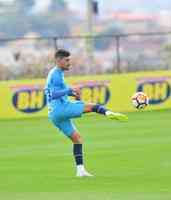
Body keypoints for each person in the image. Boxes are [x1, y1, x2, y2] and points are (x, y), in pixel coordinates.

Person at [44, 49, 128, 177]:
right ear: (58, 60)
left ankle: (80, 170)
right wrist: (69, 90)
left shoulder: (57, 73)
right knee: (93, 106)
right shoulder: (55, 74)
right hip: (60, 109)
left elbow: (58, 92)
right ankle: (109, 113)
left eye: (69, 60)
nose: (69, 63)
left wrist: (72, 93)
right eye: (66, 60)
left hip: (54, 115)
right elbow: (52, 94)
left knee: (77, 139)